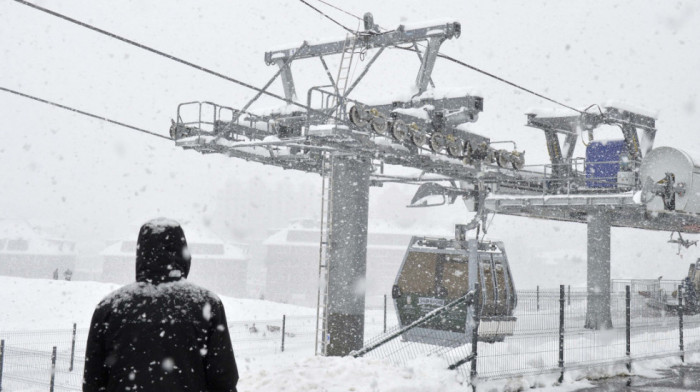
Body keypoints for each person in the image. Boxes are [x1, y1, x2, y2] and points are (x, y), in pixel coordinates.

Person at [83, 218, 238, 392]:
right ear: (182, 253)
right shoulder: (207, 305)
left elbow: (93, 382)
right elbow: (223, 380)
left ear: (141, 253)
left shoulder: (110, 307)